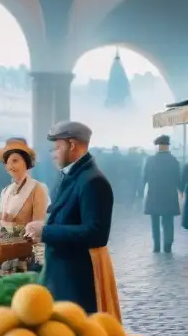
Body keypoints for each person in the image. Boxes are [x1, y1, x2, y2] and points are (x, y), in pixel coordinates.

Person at [25, 121, 119, 318]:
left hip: (76, 280)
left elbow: (96, 234)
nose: (53, 154)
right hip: (62, 275)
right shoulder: (73, 175)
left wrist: (45, 231)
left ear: (73, 145)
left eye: (58, 147)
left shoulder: (93, 181)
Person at [142, 135, 182, 253]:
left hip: (154, 196)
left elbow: (144, 178)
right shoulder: (174, 161)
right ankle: (167, 246)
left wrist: (140, 191)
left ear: (158, 147)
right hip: (169, 196)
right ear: (168, 146)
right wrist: (182, 190)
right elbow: (178, 180)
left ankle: (156, 246)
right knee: (168, 222)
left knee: (155, 223)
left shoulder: (150, 160)